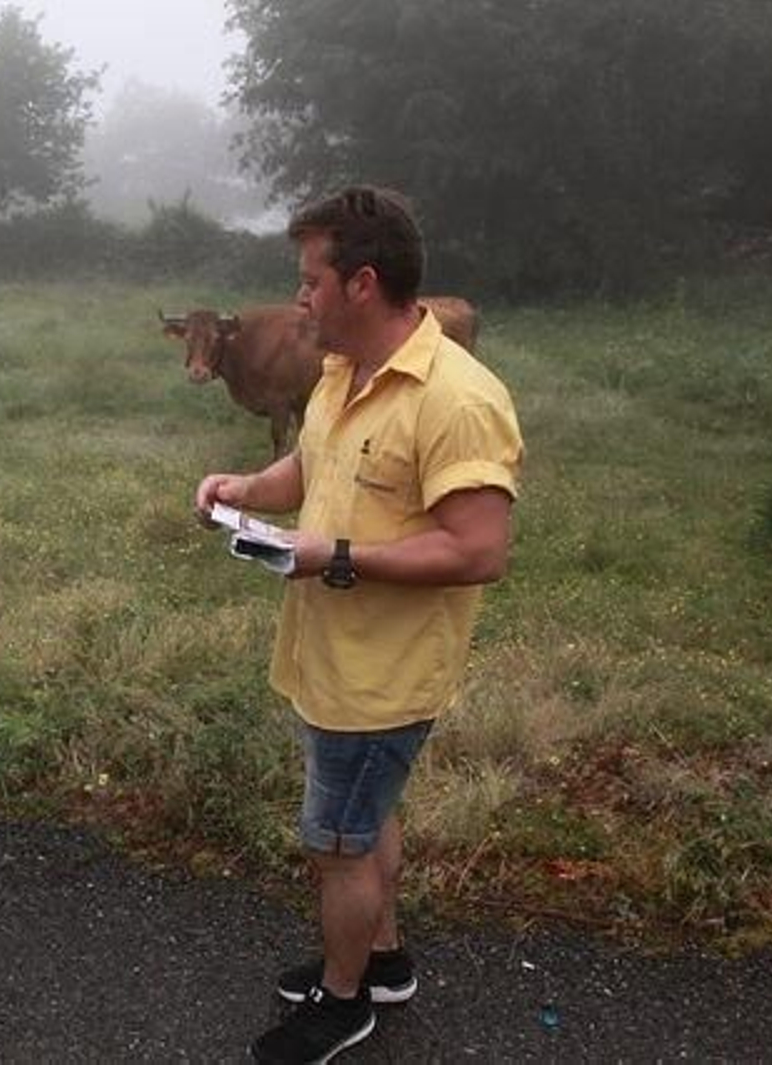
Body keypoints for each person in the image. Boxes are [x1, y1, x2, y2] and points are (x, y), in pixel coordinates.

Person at [195, 186, 523, 1063]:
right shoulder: (341, 369)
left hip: (383, 674)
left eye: (311, 280)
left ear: (363, 283)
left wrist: (335, 555)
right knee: (367, 818)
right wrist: (243, 488)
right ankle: (382, 958)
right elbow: (312, 466)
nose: (298, 297)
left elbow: (480, 548)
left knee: (337, 843)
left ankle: (342, 1002)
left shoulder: (458, 399)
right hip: (331, 657)